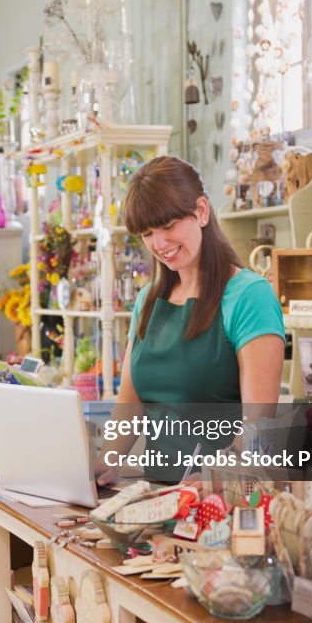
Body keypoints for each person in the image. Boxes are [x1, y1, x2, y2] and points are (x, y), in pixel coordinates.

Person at [96, 156, 285, 484]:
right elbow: (131, 398)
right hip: (158, 495)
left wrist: (213, 478)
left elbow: (257, 424)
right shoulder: (148, 301)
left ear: (201, 211)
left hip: (223, 500)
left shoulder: (249, 296)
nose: (159, 244)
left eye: (168, 227)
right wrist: (107, 462)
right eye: (147, 234)